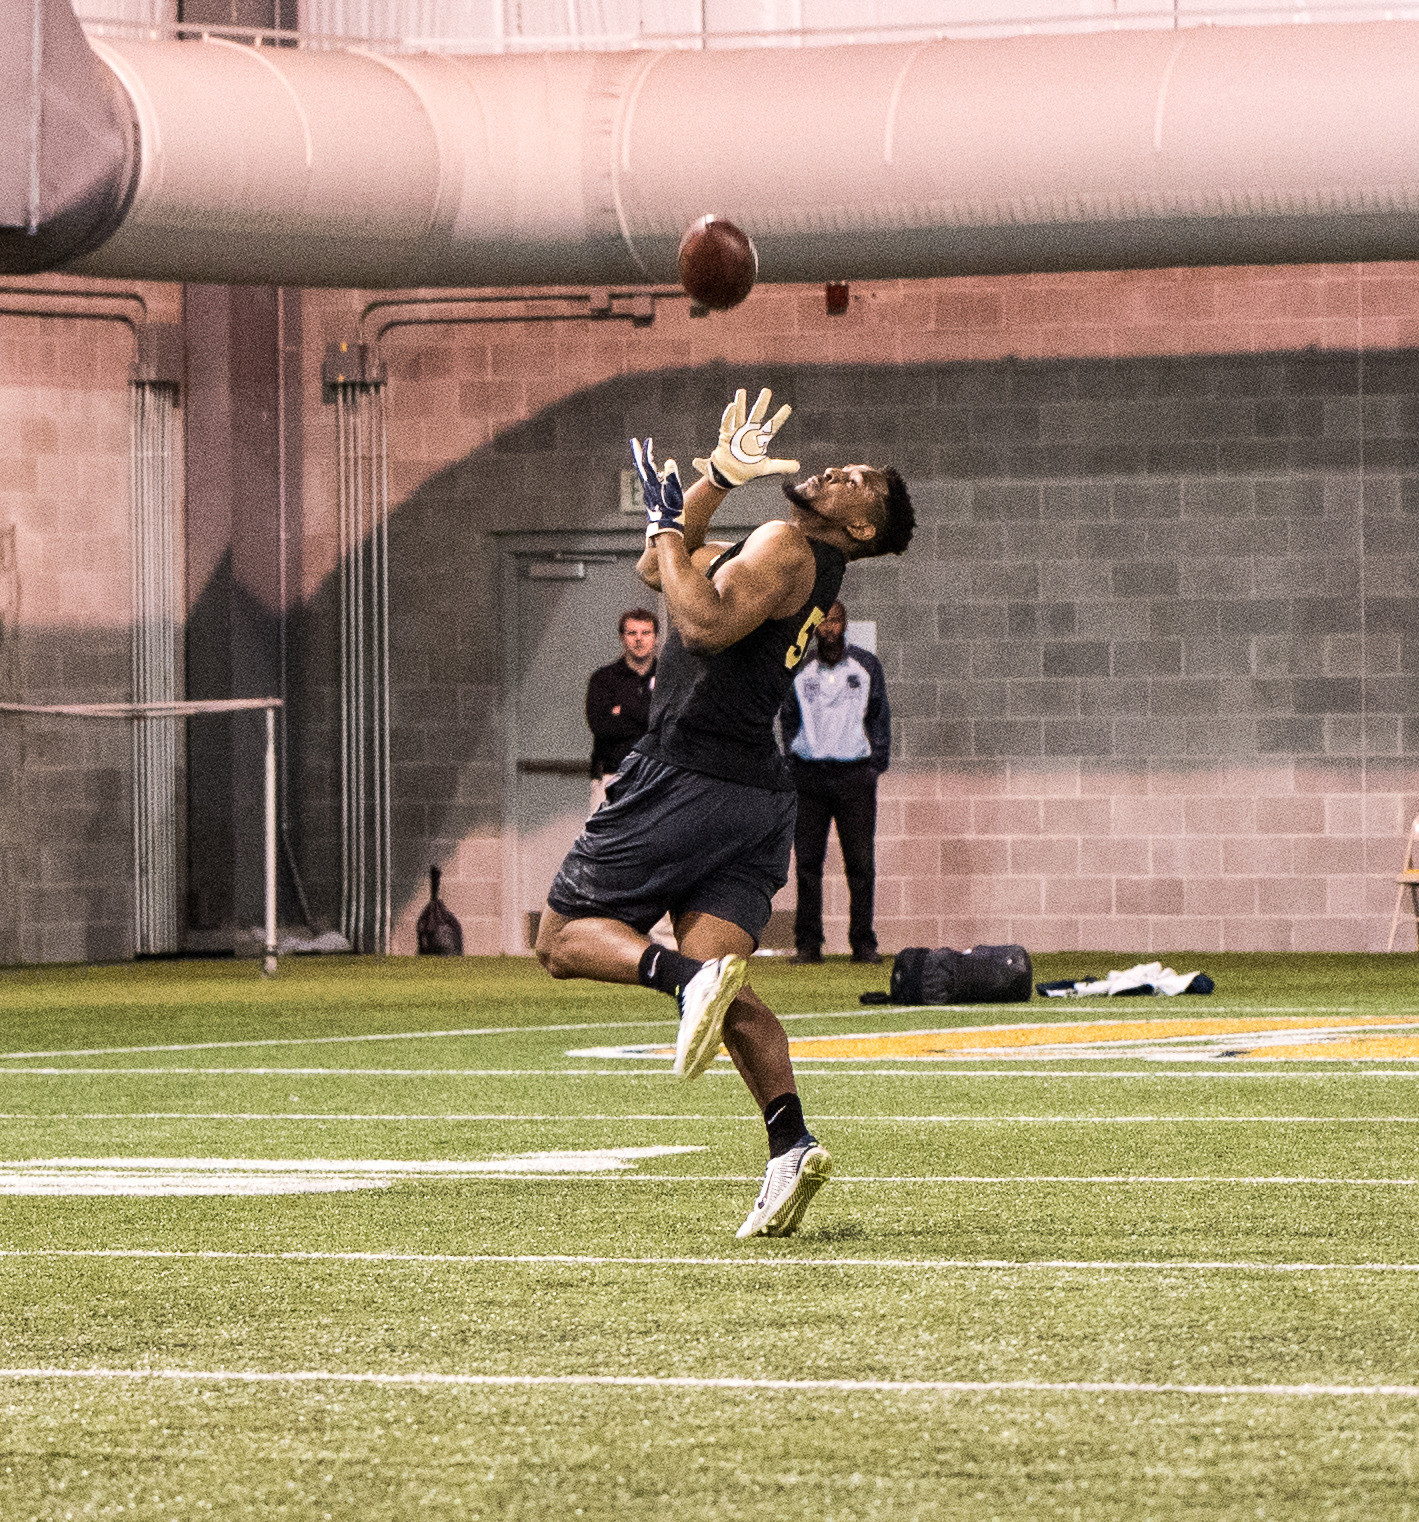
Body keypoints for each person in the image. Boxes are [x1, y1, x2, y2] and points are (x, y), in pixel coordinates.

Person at [534, 386, 915, 1239]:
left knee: (561, 942)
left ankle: (678, 979)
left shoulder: (784, 542)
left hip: (687, 773)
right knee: (729, 990)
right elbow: (656, 569)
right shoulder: (803, 558)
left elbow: (699, 625)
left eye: (861, 481)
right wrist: (707, 484)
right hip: (757, 797)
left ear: (861, 528)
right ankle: (790, 1142)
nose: (839, 467)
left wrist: (676, 521)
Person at [780, 600, 891, 965]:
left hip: (854, 776)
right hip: (809, 776)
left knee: (860, 863)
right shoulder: (800, 668)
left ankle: (863, 943)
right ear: (814, 628)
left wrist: (876, 764)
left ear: (844, 624)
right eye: (823, 622)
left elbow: (879, 714)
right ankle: (808, 944)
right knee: (808, 864)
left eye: (835, 621)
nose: (829, 628)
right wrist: (793, 759)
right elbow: (788, 717)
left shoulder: (866, 665)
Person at [585, 608, 658, 813]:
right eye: (632, 633)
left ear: (656, 638)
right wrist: (648, 716)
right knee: (604, 843)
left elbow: (671, 725)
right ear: (621, 637)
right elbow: (601, 726)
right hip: (612, 776)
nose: (639, 639)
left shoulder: (668, 680)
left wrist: (622, 710)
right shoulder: (603, 679)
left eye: (645, 633)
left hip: (656, 779)